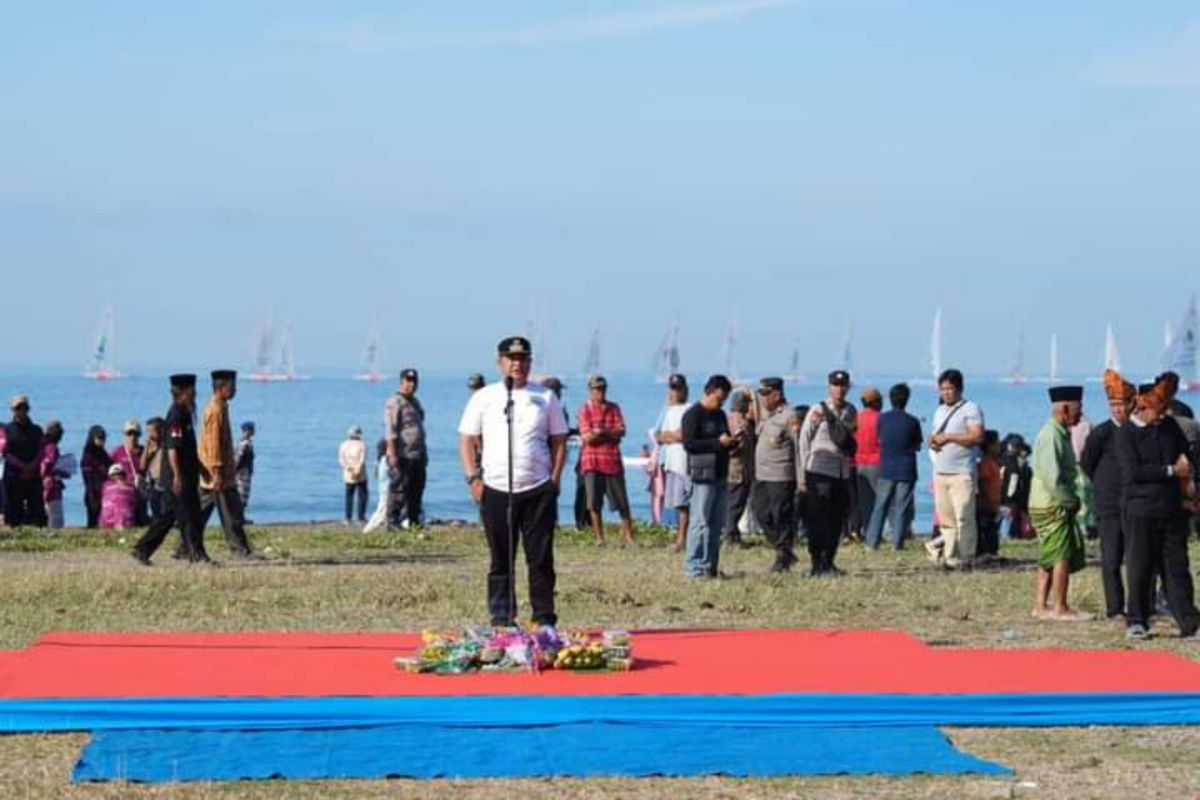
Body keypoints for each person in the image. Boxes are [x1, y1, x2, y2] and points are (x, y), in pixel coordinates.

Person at [457, 335, 568, 629]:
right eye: (511, 359)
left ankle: (543, 618)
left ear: (530, 362)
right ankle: (502, 617)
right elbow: (467, 439)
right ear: (500, 363)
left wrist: (554, 481)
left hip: (536, 489)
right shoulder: (484, 397)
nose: (517, 364)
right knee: (500, 559)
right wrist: (472, 478)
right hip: (495, 488)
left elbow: (559, 440)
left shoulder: (545, 397)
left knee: (540, 559)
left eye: (522, 359)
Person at [1119, 377, 1200, 640]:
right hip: (1140, 509)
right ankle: (1137, 619)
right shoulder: (1126, 433)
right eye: (1158, 409)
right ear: (1143, 406)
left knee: (1177, 567)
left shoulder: (1170, 428)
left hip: (1171, 508)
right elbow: (1133, 472)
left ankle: (1189, 621)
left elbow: (1186, 458)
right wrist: (1170, 471)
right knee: (1141, 566)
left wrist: (1188, 490)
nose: (1162, 414)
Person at [132, 374, 212, 565]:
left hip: (187, 474)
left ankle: (142, 550)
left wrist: (201, 468)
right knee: (190, 517)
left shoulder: (185, 413)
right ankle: (197, 555)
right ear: (183, 393)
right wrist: (177, 475)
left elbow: (188, 448)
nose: (195, 395)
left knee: (168, 518)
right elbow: (173, 448)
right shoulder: (176, 415)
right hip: (178, 477)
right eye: (192, 392)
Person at [1029, 385, 1091, 622]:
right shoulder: (1051, 435)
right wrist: (1070, 500)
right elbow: (1052, 476)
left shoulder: (1059, 432)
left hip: (1046, 500)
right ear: (1065, 409)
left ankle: (1040, 605)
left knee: (1048, 553)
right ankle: (1060, 606)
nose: (1081, 414)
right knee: (1060, 555)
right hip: (1052, 502)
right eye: (1078, 409)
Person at [1080, 370, 1135, 621]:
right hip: (1109, 505)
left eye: (1121, 404)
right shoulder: (1101, 433)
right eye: (1113, 405)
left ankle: (1140, 606)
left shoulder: (1137, 431)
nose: (1118, 410)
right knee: (1111, 559)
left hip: (1135, 505)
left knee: (1137, 560)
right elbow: (1087, 463)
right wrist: (1103, 484)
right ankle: (1115, 608)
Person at [798, 370, 858, 576]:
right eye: (835, 385)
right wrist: (803, 473)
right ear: (829, 387)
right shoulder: (818, 410)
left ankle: (829, 561)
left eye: (842, 385)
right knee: (817, 519)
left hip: (841, 472)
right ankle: (816, 562)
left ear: (848, 387)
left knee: (836, 519)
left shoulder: (851, 411)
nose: (839, 389)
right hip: (819, 470)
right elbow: (804, 440)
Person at [929, 369, 985, 569]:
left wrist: (950, 437)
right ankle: (951, 557)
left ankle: (967, 556)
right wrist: (934, 442)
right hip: (940, 471)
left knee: (964, 516)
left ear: (959, 389)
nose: (946, 393)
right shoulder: (939, 411)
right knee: (946, 518)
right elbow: (937, 435)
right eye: (942, 389)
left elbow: (977, 436)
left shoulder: (970, 409)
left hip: (962, 472)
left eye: (950, 389)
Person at [681, 375, 736, 578]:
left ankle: (710, 566)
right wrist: (716, 444)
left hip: (720, 474)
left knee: (715, 524)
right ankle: (694, 567)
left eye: (724, 400)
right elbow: (689, 444)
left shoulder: (720, 415)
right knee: (700, 523)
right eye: (718, 398)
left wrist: (733, 443)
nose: (720, 403)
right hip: (701, 476)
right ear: (709, 392)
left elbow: (724, 439)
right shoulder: (693, 415)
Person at [197, 370, 256, 558]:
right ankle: (240, 550)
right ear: (222, 388)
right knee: (231, 513)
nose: (235, 390)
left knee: (202, 512)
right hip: (218, 473)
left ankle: (184, 545)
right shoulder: (215, 410)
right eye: (232, 387)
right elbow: (213, 443)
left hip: (219, 473)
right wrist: (217, 471)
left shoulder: (221, 406)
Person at [577, 375, 635, 547]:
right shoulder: (584, 409)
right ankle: (599, 538)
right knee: (594, 502)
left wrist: (601, 432)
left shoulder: (614, 407)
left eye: (602, 388)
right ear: (590, 390)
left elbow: (622, 430)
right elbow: (588, 437)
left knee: (622, 501)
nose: (600, 392)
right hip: (592, 462)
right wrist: (608, 433)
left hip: (612, 460)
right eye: (596, 389)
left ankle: (628, 536)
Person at [866, 383, 922, 550]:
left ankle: (872, 542)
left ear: (890, 399)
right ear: (907, 400)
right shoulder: (912, 421)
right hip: (906, 468)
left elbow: (880, 437)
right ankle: (897, 543)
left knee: (880, 506)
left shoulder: (882, 418)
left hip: (886, 467)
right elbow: (917, 445)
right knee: (901, 507)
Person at [752, 377, 799, 572]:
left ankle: (783, 555)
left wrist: (801, 478)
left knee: (781, 516)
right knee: (760, 512)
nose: (762, 398)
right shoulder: (767, 415)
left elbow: (799, 448)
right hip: (762, 474)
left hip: (781, 475)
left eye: (765, 394)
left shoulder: (789, 416)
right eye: (760, 394)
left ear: (776, 394)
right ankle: (784, 549)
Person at [385, 368, 428, 530]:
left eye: (414, 381)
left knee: (417, 489)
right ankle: (393, 522)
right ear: (401, 382)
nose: (411, 384)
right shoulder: (395, 402)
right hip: (402, 454)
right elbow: (390, 430)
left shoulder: (415, 402)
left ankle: (414, 521)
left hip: (417, 454)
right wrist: (393, 454)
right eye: (408, 381)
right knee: (399, 489)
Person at [654, 374, 692, 552]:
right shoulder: (668, 411)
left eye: (678, 389)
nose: (675, 392)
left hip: (684, 462)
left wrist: (671, 436)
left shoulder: (689, 409)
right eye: (672, 388)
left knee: (684, 503)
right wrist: (671, 436)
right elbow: (659, 435)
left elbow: (683, 435)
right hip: (671, 462)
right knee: (677, 503)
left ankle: (682, 539)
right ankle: (680, 536)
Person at [3, 395, 47, 527]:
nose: (21, 411)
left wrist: (32, 466)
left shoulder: (37, 430)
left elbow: (41, 450)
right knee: (13, 512)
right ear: (12, 410)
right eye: (18, 408)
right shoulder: (6, 430)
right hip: (13, 476)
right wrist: (22, 467)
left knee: (38, 512)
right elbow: (5, 452)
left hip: (33, 476)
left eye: (24, 407)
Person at [723, 390, 755, 546]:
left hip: (743, 469)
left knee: (737, 503)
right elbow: (736, 444)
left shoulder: (739, 420)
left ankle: (733, 533)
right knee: (735, 503)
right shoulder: (737, 421)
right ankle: (730, 535)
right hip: (737, 470)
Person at [852, 386, 883, 541]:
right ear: (876, 402)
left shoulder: (856, 417)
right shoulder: (881, 418)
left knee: (865, 502)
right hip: (877, 461)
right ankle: (878, 533)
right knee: (880, 501)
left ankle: (867, 531)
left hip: (859, 463)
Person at [110, 419, 146, 523]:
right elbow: (108, 469)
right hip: (125, 492)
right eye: (129, 434)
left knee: (141, 519)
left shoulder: (144, 452)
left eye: (135, 434)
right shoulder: (118, 452)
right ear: (125, 435)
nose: (132, 437)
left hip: (141, 490)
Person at [1000, 434, 1034, 540]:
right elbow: (1013, 481)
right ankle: (1007, 537)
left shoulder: (1002, 460)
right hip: (1011, 499)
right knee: (1008, 521)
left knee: (1006, 521)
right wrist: (1010, 498)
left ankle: (1006, 537)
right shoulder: (1013, 464)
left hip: (1004, 497)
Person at [976, 431, 1003, 558]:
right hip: (986, 506)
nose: (999, 446)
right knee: (987, 534)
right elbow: (982, 485)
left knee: (992, 533)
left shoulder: (994, 462)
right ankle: (987, 554)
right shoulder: (985, 463)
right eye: (997, 444)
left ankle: (991, 553)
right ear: (990, 446)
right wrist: (987, 502)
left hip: (993, 505)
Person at [81, 425, 111, 529]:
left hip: (104, 491)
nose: (102, 440)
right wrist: (91, 494)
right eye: (99, 438)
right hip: (93, 492)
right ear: (92, 438)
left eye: (103, 438)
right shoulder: (88, 453)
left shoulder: (102, 453)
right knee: (93, 520)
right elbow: (87, 477)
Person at [40, 421, 69, 530]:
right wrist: (60, 472)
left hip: (42, 487)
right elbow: (48, 465)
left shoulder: (40, 446)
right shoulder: (52, 448)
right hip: (51, 487)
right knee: (56, 519)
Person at [339, 425, 369, 526]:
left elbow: (342, 459)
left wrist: (348, 468)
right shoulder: (362, 445)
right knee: (362, 495)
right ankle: (361, 517)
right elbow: (362, 459)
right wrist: (358, 469)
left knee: (349, 495)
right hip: (360, 473)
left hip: (348, 473)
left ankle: (348, 518)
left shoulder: (343, 445)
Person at [362, 440, 392, 534]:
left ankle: (388, 528)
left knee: (386, 511)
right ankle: (368, 530)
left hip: (383, 489)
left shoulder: (380, 461)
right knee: (381, 511)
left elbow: (376, 476)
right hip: (387, 489)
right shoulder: (387, 460)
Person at [99, 464, 139, 530]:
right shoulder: (131, 487)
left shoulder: (106, 486)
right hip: (126, 521)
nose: (117, 476)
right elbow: (135, 502)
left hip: (107, 521)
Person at [141, 417, 166, 521]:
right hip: (153, 483)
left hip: (164, 482)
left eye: (152, 431)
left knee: (164, 511)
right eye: (148, 431)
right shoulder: (150, 448)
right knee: (155, 511)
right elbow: (142, 466)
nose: (150, 434)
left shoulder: (167, 446)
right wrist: (147, 448)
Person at [235, 421, 255, 511]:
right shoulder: (245, 443)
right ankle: (239, 516)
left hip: (244, 472)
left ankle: (240, 515)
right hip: (243, 473)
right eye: (252, 429)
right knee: (242, 494)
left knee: (243, 494)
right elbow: (239, 458)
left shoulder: (243, 442)